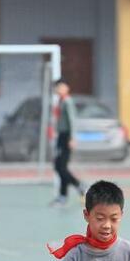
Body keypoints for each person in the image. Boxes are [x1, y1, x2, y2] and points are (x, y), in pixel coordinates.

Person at [48, 79, 85, 208]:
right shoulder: (60, 101)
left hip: (67, 136)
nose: (58, 89)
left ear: (66, 87)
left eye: (60, 87)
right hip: (61, 136)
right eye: (57, 87)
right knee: (58, 166)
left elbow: (72, 120)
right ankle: (63, 196)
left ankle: (77, 185)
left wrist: (72, 138)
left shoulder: (68, 101)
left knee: (61, 167)